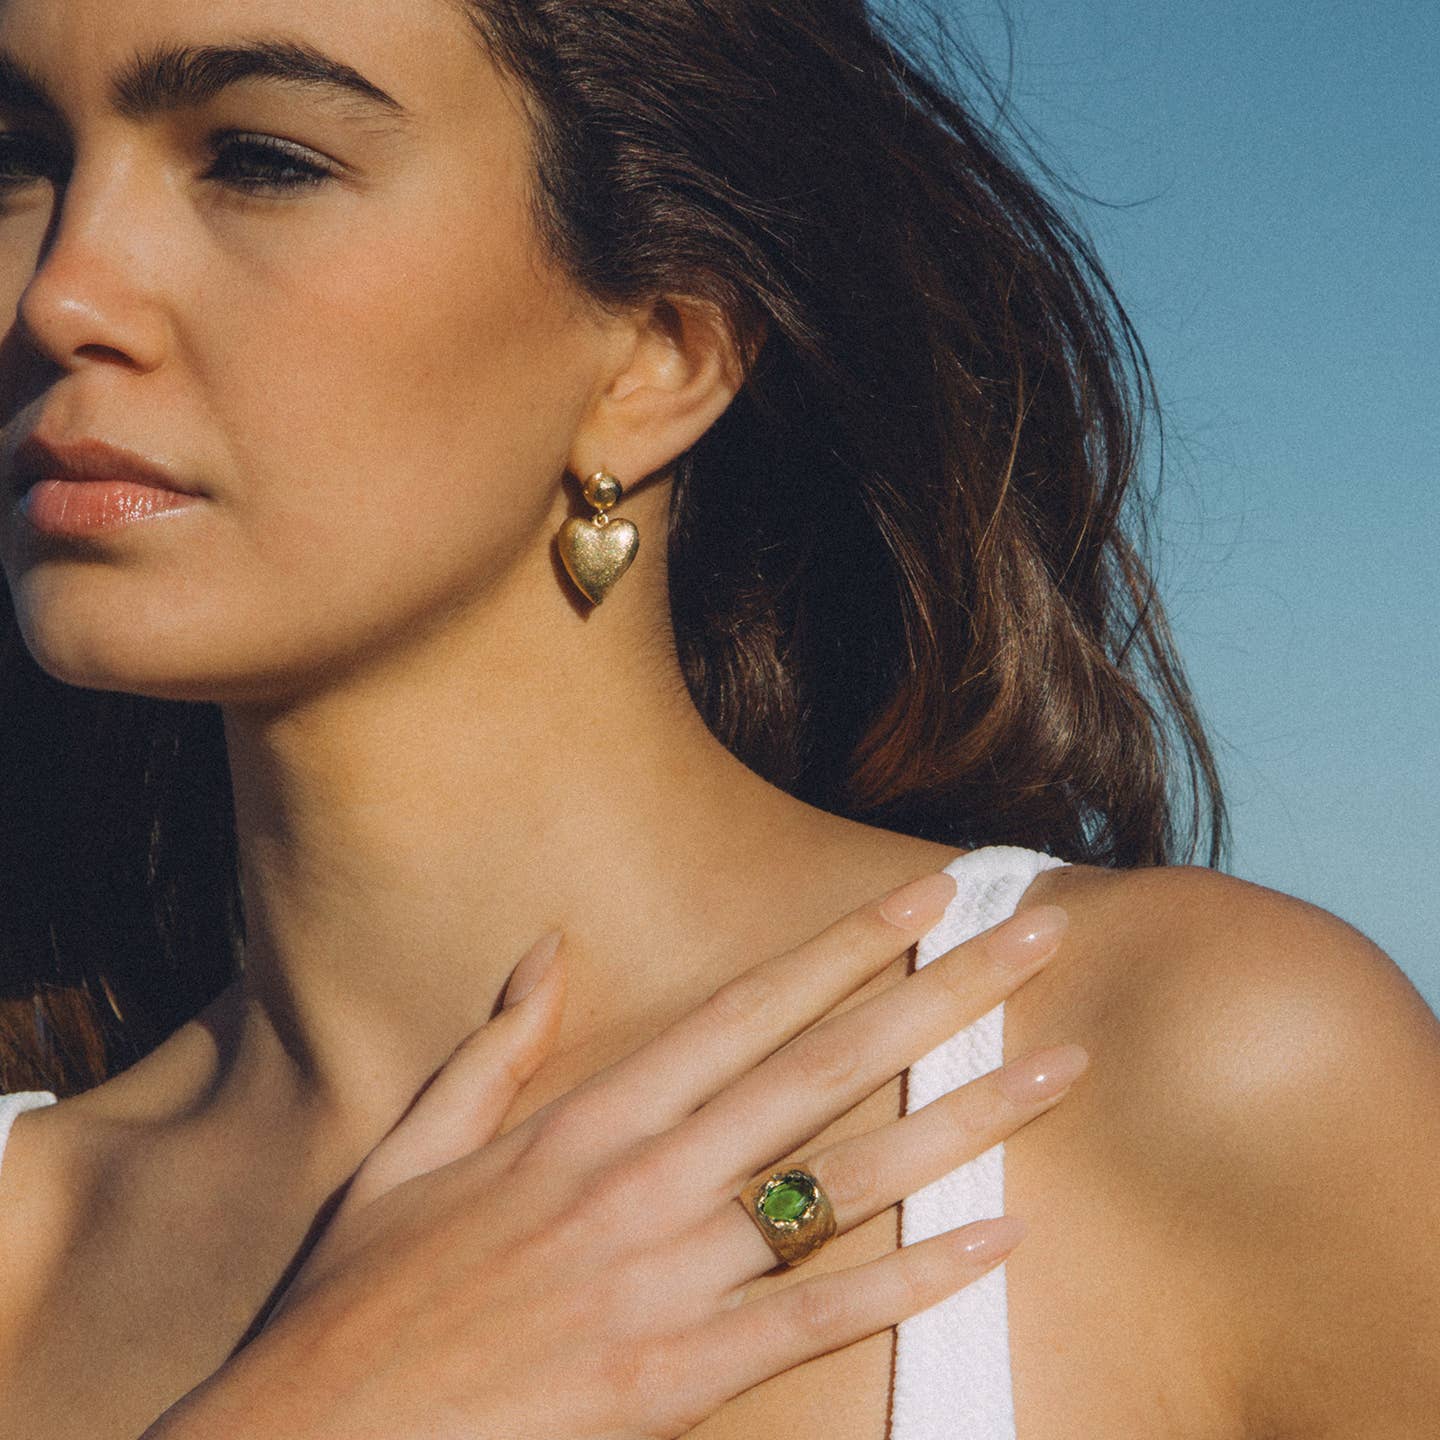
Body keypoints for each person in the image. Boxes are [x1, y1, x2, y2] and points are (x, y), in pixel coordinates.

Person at [0, 0, 1435, 1436]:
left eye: (261, 159)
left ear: (661, 354)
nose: (60, 297)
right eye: (18, 156)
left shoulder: (1192, 1080)